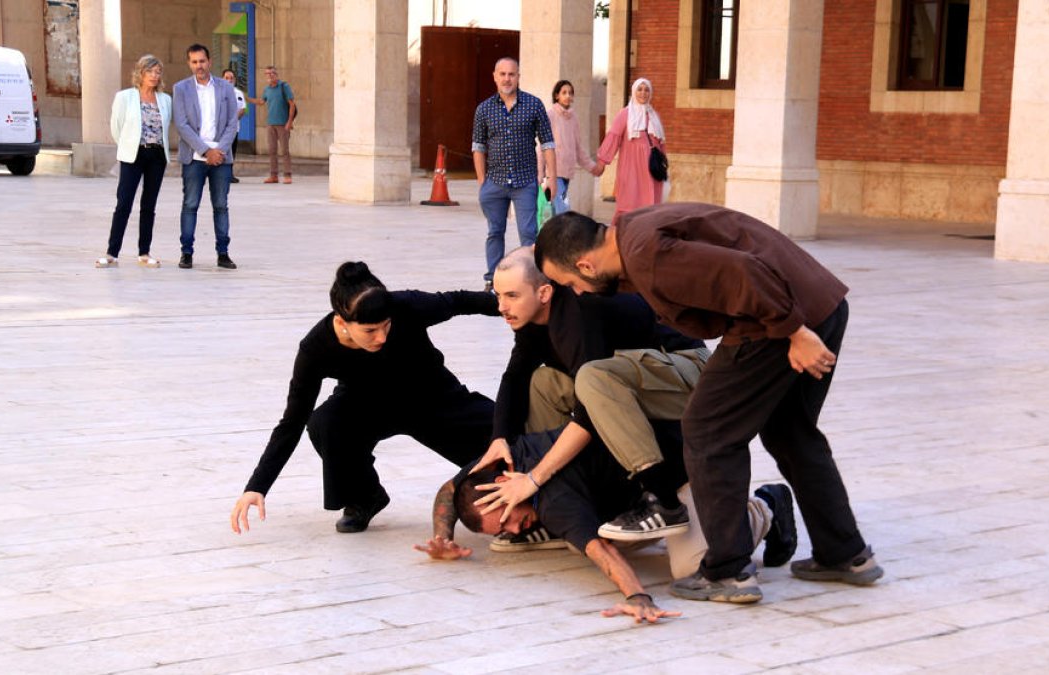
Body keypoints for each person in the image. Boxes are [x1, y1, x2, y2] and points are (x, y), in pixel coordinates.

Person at [534, 204, 884, 604]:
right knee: (790, 432)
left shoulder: (648, 254)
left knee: (706, 432)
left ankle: (728, 572)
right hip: (818, 304)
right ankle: (845, 554)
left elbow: (743, 273)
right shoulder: (634, 235)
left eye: (572, 283)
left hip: (780, 322)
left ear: (586, 265)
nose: (577, 293)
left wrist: (794, 331)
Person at [230, 262, 500, 535]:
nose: (381, 337)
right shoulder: (315, 348)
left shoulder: (404, 305)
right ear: (341, 322)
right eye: (370, 331)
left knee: (506, 440)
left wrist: (522, 309)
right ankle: (365, 497)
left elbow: (460, 301)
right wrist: (257, 486)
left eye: (386, 326)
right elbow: (292, 422)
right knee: (325, 422)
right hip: (367, 404)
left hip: (432, 396)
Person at [416, 427, 798, 619]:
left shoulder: (553, 502)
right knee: (580, 535)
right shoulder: (502, 465)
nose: (515, 531)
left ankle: (764, 506)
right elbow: (452, 489)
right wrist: (441, 536)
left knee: (692, 568)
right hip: (641, 487)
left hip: (686, 471)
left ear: (502, 486)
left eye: (509, 521)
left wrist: (638, 597)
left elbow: (603, 553)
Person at [473, 247, 709, 548]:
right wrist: (499, 437)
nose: (501, 307)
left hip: (688, 382)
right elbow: (515, 377)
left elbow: (589, 412)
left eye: (512, 296)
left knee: (687, 565)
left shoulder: (580, 314)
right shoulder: (532, 320)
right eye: (498, 295)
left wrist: (534, 479)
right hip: (632, 398)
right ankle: (568, 503)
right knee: (542, 382)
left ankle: (667, 502)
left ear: (543, 292)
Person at [472, 57, 557, 291]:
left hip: (525, 182)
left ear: (518, 76)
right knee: (495, 231)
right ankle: (493, 279)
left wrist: (551, 178)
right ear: (495, 76)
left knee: (529, 234)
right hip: (495, 182)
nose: (507, 79)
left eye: (512, 74)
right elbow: (478, 147)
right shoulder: (484, 109)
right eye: (503, 74)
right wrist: (482, 182)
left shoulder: (534, 105)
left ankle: (530, 278)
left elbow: (548, 143)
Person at [96, 54, 171, 269]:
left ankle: (144, 252)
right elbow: (116, 127)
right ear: (140, 72)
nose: (155, 76)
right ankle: (112, 252)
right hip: (133, 155)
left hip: (157, 156)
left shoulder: (165, 100)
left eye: (158, 72)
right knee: (124, 203)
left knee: (149, 205)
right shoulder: (125, 97)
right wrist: (127, 146)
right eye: (151, 71)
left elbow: (166, 128)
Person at [172, 44, 239, 270]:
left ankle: (223, 253)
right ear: (189, 64)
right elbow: (181, 124)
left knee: (221, 205)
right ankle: (187, 252)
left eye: (202, 61)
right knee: (190, 204)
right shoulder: (180, 89)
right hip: (194, 158)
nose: (199, 66)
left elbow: (232, 122)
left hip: (221, 157)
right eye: (194, 62)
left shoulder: (225, 88)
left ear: (209, 62)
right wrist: (205, 151)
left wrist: (219, 150)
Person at [595, 78, 666, 217]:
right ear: (634, 92)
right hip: (631, 168)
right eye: (639, 89)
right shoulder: (625, 114)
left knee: (649, 206)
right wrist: (602, 162)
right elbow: (613, 137)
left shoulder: (654, 116)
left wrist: (663, 165)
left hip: (651, 170)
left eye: (646, 90)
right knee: (629, 204)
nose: (643, 93)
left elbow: (661, 144)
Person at [541, 80, 602, 216]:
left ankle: (551, 237)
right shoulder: (550, 115)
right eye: (564, 93)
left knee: (554, 213)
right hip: (553, 174)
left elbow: (578, 148)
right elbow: (542, 147)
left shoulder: (573, 118)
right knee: (563, 211)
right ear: (557, 96)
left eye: (570, 93)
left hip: (566, 174)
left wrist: (592, 167)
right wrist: (540, 174)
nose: (568, 96)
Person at [249, 65, 295, 184]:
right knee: (272, 150)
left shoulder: (284, 87)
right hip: (270, 124)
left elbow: (292, 104)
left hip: (283, 124)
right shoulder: (267, 89)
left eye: (272, 73)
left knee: (285, 150)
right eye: (267, 74)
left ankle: (287, 175)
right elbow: (261, 102)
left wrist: (289, 122)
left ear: (276, 75)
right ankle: (273, 175)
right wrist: (247, 99)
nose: (269, 76)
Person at [221, 68, 246, 184]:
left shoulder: (239, 93)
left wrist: (233, 119)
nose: (229, 80)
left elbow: (243, 108)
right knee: (222, 151)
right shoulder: (218, 92)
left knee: (232, 151)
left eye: (231, 78)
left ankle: (229, 174)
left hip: (234, 128)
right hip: (221, 129)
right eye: (227, 78)